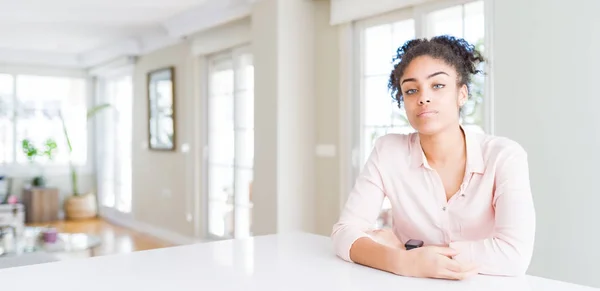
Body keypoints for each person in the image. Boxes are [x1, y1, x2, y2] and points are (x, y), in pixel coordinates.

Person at [331, 35, 536, 280]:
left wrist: (408, 251)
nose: (423, 98)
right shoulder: (388, 151)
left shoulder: (504, 156)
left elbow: (514, 256)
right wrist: (401, 262)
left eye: (437, 85)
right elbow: (344, 232)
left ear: (462, 94)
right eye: (411, 90)